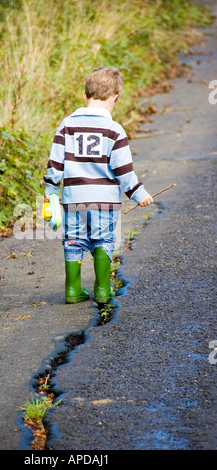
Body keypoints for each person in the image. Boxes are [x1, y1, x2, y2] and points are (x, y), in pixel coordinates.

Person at [44, 67, 153, 304]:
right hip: (104, 201)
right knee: (103, 239)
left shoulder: (67, 125)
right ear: (115, 98)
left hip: (74, 198)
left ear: (84, 96)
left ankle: (72, 290)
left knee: (73, 238)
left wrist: (51, 188)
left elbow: (55, 161)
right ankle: (103, 290)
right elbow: (124, 169)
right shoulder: (114, 130)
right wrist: (138, 193)